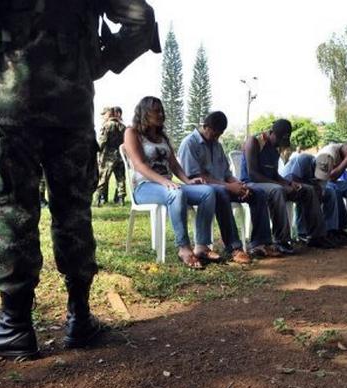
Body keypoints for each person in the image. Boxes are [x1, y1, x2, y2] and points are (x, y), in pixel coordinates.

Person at [0, 0, 161, 357]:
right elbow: (141, 17)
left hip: (9, 102)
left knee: (12, 212)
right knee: (74, 212)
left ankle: (14, 326)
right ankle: (81, 318)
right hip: (72, 108)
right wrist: (95, 64)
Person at [124, 97, 218, 269]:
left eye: (161, 110)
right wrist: (165, 182)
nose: (161, 114)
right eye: (156, 111)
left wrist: (188, 181)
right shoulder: (132, 133)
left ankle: (202, 246)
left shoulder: (162, 137)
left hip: (166, 186)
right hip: (144, 186)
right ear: (144, 112)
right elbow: (139, 164)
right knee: (176, 193)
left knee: (208, 192)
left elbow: (174, 165)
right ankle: (183, 248)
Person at [178, 111, 278, 263]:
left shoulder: (217, 146)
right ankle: (234, 247)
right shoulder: (189, 144)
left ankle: (260, 243)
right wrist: (228, 186)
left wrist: (240, 185)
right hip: (201, 189)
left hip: (222, 185)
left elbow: (226, 173)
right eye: (214, 133)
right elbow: (195, 178)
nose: (217, 137)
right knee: (221, 192)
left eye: (220, 134)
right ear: (205, 126)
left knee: (257, 192)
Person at [241, 119, 333, 252]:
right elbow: (253, 174)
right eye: (278, 141)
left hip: (271, 184)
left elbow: (275, 175)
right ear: (271, 133)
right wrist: (282, 185)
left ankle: (316, 236)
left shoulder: (276, 147)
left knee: (308, 190)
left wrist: (289, 183)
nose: (279, 145)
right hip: (252, 184)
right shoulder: (254, 142)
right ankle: (281, 240)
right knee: (278, 190)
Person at [281, 150, 345, 244]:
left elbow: (321, 187)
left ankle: (330, 230)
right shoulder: (304, 160)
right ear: (315, 163)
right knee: (307, 192)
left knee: (330, 192)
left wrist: (319, 193)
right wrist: (315, 192)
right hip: (288, 182)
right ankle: (303, 233)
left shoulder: (327, 166)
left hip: (308, 185)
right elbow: (294, 180)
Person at [96, 106, 127, 206]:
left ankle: (98, 199)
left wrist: (96, 151)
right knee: (121, 178)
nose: (102, 117)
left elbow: (102, 142)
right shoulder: (123, 127)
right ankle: (121, 199)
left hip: (108, 157)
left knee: (103, 178)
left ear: (108, 114)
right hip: (121, 156)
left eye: (103, 115)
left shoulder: (107, 126)